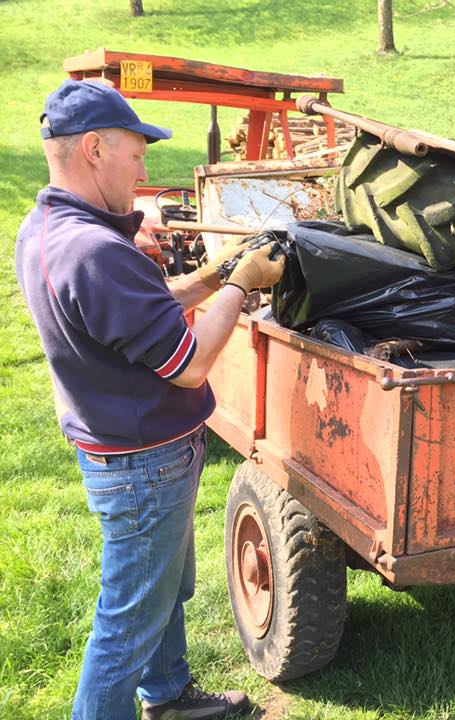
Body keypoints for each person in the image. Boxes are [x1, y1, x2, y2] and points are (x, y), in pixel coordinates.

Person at [15, 79, 285, 720]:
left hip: (127, 451)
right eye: (136, 155)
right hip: (144, 465)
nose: (142, 173)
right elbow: (189, 365)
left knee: (160, 593)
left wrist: (213, 274)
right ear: (93, 149)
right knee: (127, 624)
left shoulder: (50, 228)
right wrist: (241, 286)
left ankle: (166, 696)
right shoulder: (94, 251)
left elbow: (145, 309)